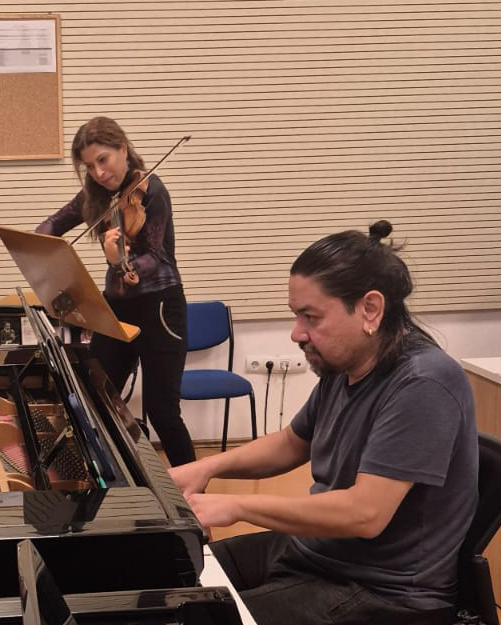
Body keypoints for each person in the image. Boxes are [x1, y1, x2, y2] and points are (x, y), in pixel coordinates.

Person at [170, 220, 478, 625]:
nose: (297, 333)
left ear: (370, 309)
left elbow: (364, 514)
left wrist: (237, 505)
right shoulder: (344, 364)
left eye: (311, 317)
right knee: (170, 576)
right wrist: (205, 468)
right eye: (296, 316)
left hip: (382, 592)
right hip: (317, 552)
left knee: (193, 619)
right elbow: (293, 441)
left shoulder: (423, 382)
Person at [36, 116, 195, 466]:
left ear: (123, 149)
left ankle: (196, 496)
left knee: (162, 412)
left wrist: (117, 260)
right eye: (89, 166)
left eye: (103, 160)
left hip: (160, 309)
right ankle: (107, 480)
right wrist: (42, 247)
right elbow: (50, 224)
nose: (98, 173)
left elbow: (154, 259)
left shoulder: (153, 192)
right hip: (117, 311)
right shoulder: (95, 196)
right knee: (96, 397)